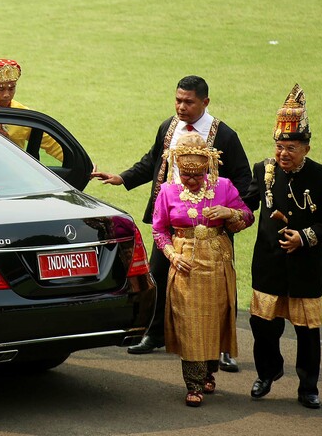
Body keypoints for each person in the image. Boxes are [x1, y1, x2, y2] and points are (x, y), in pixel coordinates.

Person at [91, 75, 251, 372]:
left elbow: (244, 180)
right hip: (171, 220)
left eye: (188, 102)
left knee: (220, 285)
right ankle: (155, 334)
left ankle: (224, 348)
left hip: (212, 227)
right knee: (158, 276)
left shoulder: (225, 135)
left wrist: (228, 210)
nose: (181, 106)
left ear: (205, 102)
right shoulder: (169, 127)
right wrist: (123, 177)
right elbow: (153, 161)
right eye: (178, 100)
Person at [243, 84, 322, 410]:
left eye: (290, 147)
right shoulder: (263, 170)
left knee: (307, 332)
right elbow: (246, 204)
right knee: (262, 326)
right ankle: (268, 372)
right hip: (268, 265)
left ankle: (308, 387)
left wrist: (305, 236)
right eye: (279, 146)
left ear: (306, 148)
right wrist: (227, 214)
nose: (282, 153)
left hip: (305, 267)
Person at [151, 134, 253, 407]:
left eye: (197, 175)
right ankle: (193, 384)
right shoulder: (167, 192)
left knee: (214, 318)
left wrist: (228, 213)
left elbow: (247, 216)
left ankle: (209, 371)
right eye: (186, 175)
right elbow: (159, 230)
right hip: (185, 262)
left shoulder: (225, 186)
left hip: (217, 260)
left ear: (208, 167)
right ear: (178, 168)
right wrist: (172, 254)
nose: (192, 181)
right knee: (190, 322)